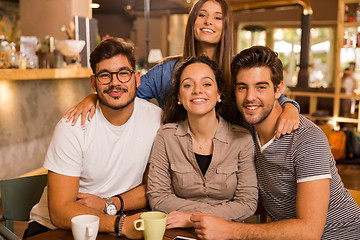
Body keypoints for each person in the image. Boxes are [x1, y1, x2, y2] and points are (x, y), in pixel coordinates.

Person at [190, 46, 360, 240]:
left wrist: (230, 231)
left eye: (261, 87)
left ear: (278, 89)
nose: (250, 97)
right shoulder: (244, 130)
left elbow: (309, 232)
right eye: (242, 87)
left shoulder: (307, 140)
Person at [64, 0, 300, 138]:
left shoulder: (236, 66)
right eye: (202, 15)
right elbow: (125, 93)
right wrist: (93, 96)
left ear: (225, 27)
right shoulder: (167, 71)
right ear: (193, 22)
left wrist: (290, 107)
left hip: (234, 161)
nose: (209, 21)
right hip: (179, 160)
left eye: (217, 18)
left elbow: (266, 96)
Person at [24, 38, 162, 239]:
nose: (115, 82)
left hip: (115, 220)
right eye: (105, 75)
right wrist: (120, 224)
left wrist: (110, 205)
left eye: (123, 73)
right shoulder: (72, 126)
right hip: (57, 229)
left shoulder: (156, 119)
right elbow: (60, 211)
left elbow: (154, 189)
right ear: (93, 83)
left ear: (137, 78)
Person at [147, 56, 258, 229]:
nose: (197, 90)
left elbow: (248, 202)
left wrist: (190, 218)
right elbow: (158, 197)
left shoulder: (242, 139)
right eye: (188, 85)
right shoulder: (165, 137)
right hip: (180, 232)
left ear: (219, 94)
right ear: (179, 96)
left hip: (229, 231)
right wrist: (202, 217)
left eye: (206, 84)